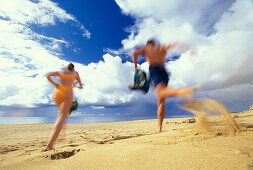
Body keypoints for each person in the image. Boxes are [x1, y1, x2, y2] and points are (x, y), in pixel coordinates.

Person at [132, 40, 196, 132]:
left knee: (160, 92)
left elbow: (135, 53)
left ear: (148, 44)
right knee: (161, 101)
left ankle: (182, 92)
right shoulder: (161, 48)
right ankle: (159, 127)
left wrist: (135, 66)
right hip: (164, 72)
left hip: (155, 70)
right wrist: (189, 48)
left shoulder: (147, 48)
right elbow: (174, 44)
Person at [45, 63, 83, 150]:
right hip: (67, 92)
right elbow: (80, 86)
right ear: (73, 69)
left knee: (61, 115)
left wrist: (55, 84)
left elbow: (47, 76)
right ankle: (50, 144)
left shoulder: (60, 72)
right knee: (62, 117)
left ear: (67, 67)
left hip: (57, 92)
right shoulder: (75, 73)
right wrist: (75, 85)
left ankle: (62, 132)